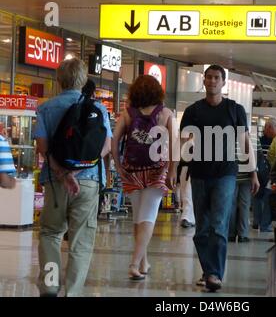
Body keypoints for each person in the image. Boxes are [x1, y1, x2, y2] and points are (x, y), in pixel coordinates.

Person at [34, 58, 112, 297]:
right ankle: (73, 292)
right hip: (88, 181)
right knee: (81, 240)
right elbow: (105, 146)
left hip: (56, 183)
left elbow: (43, 147)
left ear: (59, 80)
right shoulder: (98, 109)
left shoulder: (46, 108)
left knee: (50, 233)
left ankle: (49, 286)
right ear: (84, 80)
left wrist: (63, 173)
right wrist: (77, 171)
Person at [179, 64, 259, 291]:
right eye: (209, 77)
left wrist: (252, 172)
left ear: (224, 83)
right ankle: (208, 271)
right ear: (203, 81)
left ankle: (214, 274)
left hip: (225, 174)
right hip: (199, 174)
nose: (212, 81)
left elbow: (245, 143)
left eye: (216, 78)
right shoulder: (193, 111)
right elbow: (183, 142)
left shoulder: (235, 109)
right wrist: (177, 167)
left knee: (218, 224)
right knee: (202, 228)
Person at [111, 75, 176, 281]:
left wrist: (119, 165)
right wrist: (172, 172)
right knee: (147, 217)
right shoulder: (165, 114)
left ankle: (143, 262)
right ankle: (133, 263)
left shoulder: (128, 114)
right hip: (157, 170)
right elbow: (175, 147)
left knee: (139, 217)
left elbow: (114, 142)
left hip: (132, 170)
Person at [252, 122, 272, 232]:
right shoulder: (273, 140)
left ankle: (257, 221)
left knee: (257, 197)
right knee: (263, 198)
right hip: (265, 172)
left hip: (259, 171)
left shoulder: (259, 140)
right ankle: (260, 221)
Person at [178, 134, 195, 228]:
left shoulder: (189, 143)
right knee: (187, 194)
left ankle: (187, 217)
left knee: (187, 194)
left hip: (188, 170)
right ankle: (187, 217)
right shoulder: (190, 143)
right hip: (187, 169)